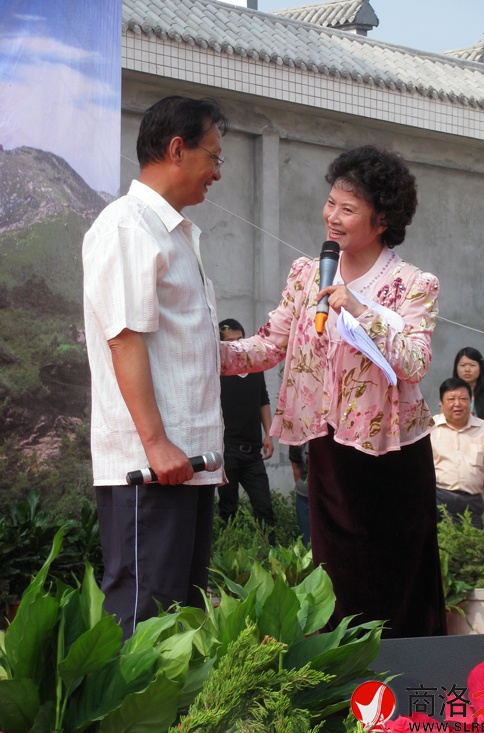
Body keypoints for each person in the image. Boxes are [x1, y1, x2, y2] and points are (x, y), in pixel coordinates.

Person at [220, 144, 446, 638]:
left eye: (348, 208)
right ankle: (345, 677)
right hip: (327, 449)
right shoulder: (308, 273)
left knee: (398, 579)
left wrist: (360, 310)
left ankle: (409, 680)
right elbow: (270, 344)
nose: (332, 217)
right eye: (330, 203)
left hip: (392, 455)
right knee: (337, 578)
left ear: (382, 219)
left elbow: (415, 362)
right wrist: (206, 354)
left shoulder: (412, 284)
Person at [82, 95, 228, 639]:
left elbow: (185, 345)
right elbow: (124, 340)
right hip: (152, 465)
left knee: (180, 624)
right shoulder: (127, 227)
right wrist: (156, 442)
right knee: (145, 621)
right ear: (177, 149)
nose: (217, 172)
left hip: (188, 462)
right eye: (213, 156)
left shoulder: (174, 233)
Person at [218, 318, 275, 535]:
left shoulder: (255, 366)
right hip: (227, 450)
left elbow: (263, 400)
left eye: (240, 340)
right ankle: (229, 549)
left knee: (264, 509)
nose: (237, 346)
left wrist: (269, 434)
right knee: (228, 510)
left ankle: (269, 550)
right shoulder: (218, 370)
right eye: (231, 342)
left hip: (253, 452)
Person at [431, 377, 484, 530]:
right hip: (437, 500)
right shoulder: (429, 428)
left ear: (470, 400)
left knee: (473, 544)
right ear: (441, 402)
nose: (457, 404)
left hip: (472, 502)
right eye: (451, 399)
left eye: (463, 398)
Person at [453, 346, 484, 432]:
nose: (467, 369)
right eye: (463, 365)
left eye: (472, 365)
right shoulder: (448, 395)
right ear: (456, 368)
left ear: (480, 368)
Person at [289, 443, 310, 545]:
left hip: (330, 496)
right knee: (307, 541)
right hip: (304, 497)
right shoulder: (297, 437)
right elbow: (296, 468)